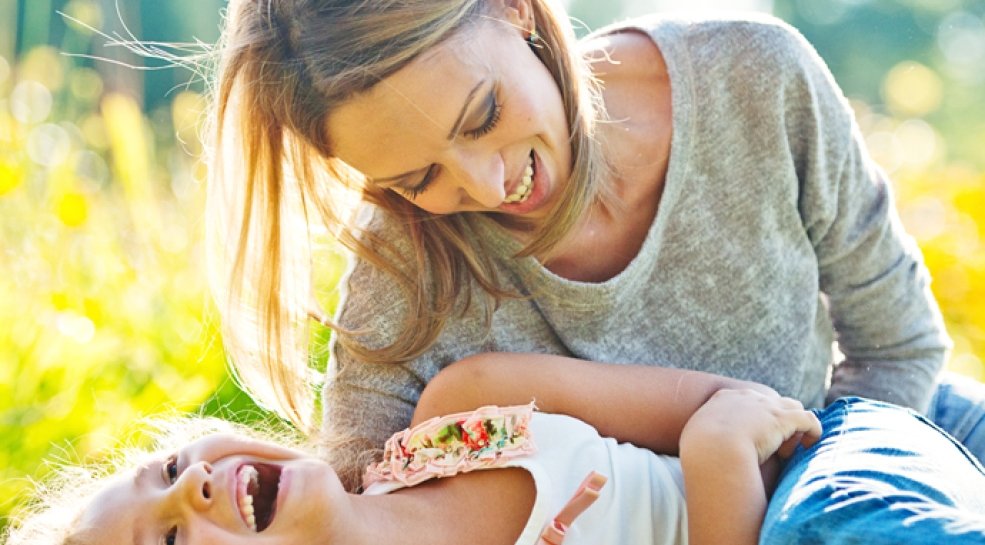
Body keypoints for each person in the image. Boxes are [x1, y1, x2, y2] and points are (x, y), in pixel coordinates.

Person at [204, 0, 985, 490]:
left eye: (480, 115)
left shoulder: (753, 77)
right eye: (418, 176)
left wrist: (794, 508)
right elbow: (352, 492)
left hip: (886, 450)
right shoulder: (408, 262)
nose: (486, 183)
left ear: (514, 10)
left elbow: (900, 348)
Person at [5, 358, 985, 545]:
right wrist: (716, 451)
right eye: (170, 544)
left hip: (842, 453)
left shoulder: (454, 413)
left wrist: (720, 429)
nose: (197, 486)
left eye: (166, 470)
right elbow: (716, 431)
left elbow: (725, 400)